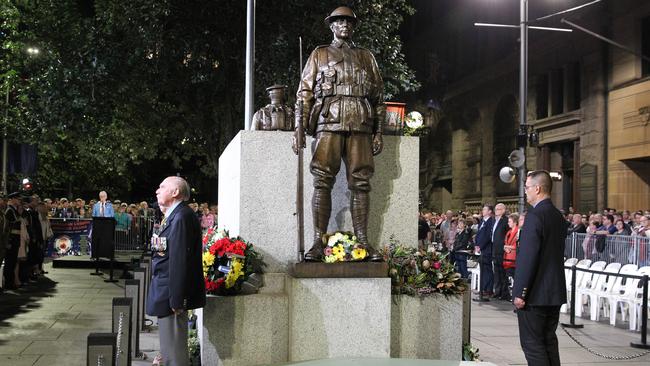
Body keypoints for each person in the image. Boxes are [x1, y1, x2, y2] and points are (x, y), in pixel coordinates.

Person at [293, 6, 385, 262]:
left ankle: (363, 242)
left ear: (353, 26)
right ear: (331, 26)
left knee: (361, 183)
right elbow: (304, 94)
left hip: (360, 122)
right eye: (339, 21)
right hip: (328, 120)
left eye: (348, 21)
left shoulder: (366, 57)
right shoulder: (319, 54)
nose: (344, 24)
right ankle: (317, 241)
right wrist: (299, 127)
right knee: (322, 180)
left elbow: (378, 97)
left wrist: (379, 132)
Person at [146, 176, 206, 366]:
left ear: (175, 192)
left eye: (162, 186)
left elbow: (179, 261)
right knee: (169, 351)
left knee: (174, 356)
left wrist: (177, 299)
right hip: (167, 292)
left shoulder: (180, 217)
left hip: (171, 296)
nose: (157, 190)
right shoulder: (175, 215)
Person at [513, 170, 568, 366]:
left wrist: (520, 292)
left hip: (535, 293)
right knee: (548, 342)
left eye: (527, 187)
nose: (525, 191)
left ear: (537, 188)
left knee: (533, 345)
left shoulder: (536, 216)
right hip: (553, 291)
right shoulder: (556, 215)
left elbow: (528, 257)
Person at [474, 204, 495, 302]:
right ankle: (482, 288)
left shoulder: (491, 222)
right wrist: (476, 244)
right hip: (480, 249)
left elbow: (487, 236)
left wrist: (480, 246)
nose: (482, 211)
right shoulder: (482, 221)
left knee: (487, 269)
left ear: (490, 211)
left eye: (485, 209)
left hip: (486, 249)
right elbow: (479, 234)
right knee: (483, 269)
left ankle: (488, 289)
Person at [3, 192, 22, 289]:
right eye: (18, 199)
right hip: (12, 239)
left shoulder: (14, 210)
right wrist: (9, 241)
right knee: (9, 262)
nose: (19, 201)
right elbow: (8, 228)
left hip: (16, 239)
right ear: (13, 199)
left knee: (13, 261)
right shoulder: (9, 210)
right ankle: (8, 283)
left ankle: (11, 282)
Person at [492, 203, 510, 300]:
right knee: (497, 272)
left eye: (498, 209)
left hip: (502, 250)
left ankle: (504, 293)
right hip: (495, 249)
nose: (496, 211)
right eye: (495, 209)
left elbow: (508, 234)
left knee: (503, 273)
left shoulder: (505, 220)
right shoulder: (495, 220)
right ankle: (497, 291)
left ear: (503, 210)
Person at [503, 213, 520, 287]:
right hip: (507, 257)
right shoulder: (509, 232)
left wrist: (508, 247)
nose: (508, 223)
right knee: (509, 276)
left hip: (514, 258)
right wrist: (505, 247)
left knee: (515, 277)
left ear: (515, 222)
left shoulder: (519, 231)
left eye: (509, 221)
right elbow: (505, 243)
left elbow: (518, 244)